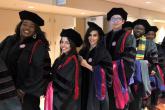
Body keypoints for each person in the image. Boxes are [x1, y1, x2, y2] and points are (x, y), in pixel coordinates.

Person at [0, 10, 51, 110]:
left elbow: (39, 71)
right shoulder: (9, 40)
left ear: (36, 30)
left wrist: (23, 89)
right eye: (25, 24)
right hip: (6, 90)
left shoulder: (38, 45)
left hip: (26, 94)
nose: (27, 28)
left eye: (31, 26)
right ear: (20, 25)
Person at [106, 7, 136, 110]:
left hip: (121, 74)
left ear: (123, 21)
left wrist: (124, 75)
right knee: (109, 101)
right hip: (107, 74)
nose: (115, 21)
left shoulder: (128, 37)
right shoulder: (106, 37)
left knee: (120, 102)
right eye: (113, 18)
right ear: (110, 21)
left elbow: (130, 58)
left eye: (118, 18)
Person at [79, 22, 112, 110]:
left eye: (95, 35)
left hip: (95, 88)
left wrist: (87, 65)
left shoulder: (103, 52)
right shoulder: (83, 51)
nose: (91, 38)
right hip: (83, 85)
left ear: (99, 37)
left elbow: (107, 72)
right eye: (90, 35)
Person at [49, 28, 83, 110]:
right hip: (60, 99)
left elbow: (65, 84)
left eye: (67, 43)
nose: (63, 45)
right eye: (62, 42)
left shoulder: (73, 61)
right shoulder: (60, 59)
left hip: (66, 101)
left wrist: (51, 87)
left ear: (72, 44)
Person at [129, 19, 158, 110]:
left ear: (144, 31)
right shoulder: (128, 40)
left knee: (137, 98)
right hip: (128, 73)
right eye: (136, 28)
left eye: (141, 29)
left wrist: (152, 68)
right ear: (133, 29)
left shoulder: (149, 43)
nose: (138, 30)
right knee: (127, 96)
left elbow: (154, 59)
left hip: (141, 74)